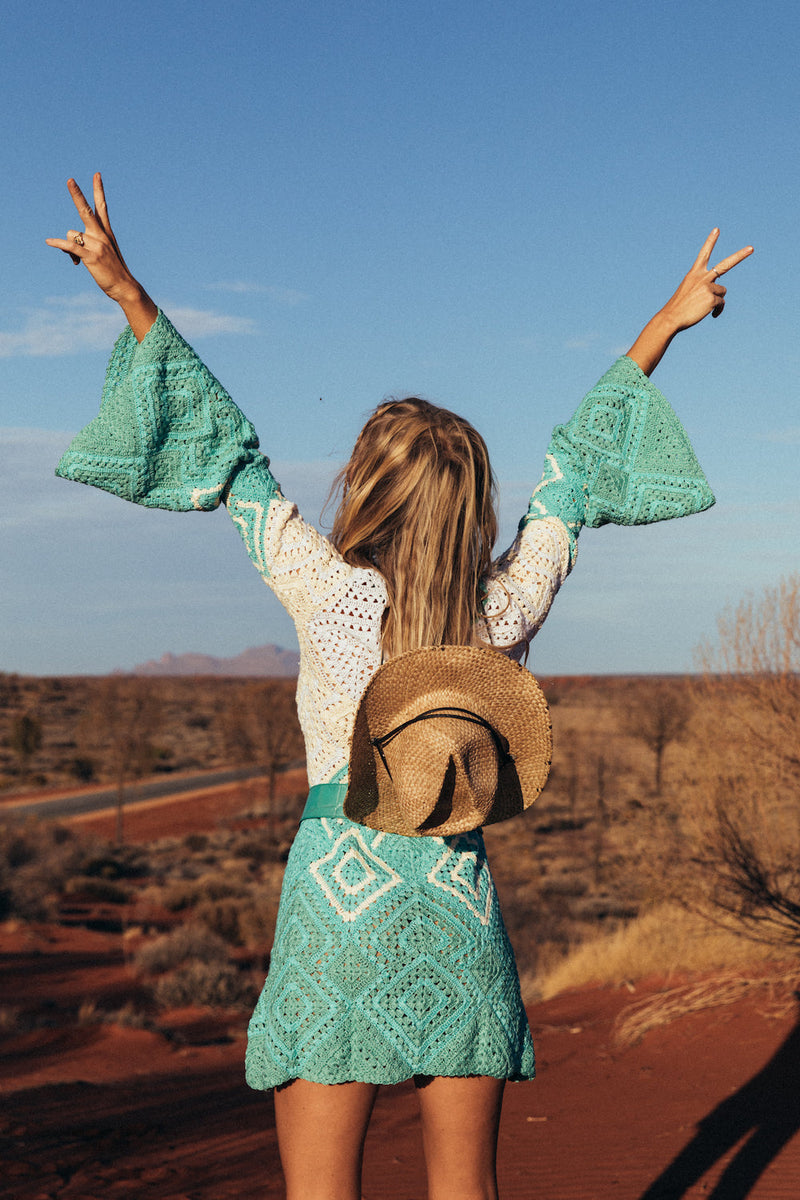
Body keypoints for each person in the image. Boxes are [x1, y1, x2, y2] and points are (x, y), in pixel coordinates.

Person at [48, 176, 752, 1200]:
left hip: (335, 913)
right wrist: (663, 324)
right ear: (469, 506)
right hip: (454, 906)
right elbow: (569, 479)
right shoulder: (499, 617)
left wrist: (124, 290)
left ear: (366, 490)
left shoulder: (324, 593)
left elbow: (227, 454)